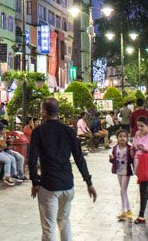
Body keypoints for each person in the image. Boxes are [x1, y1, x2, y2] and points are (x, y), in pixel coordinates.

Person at [28, 98, 96, 241]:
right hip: (67, 185)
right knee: (64, 221)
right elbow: (79, 158)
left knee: (49, 226)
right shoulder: (68, 131)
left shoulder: (38, 132)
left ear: (44, 112)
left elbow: (32, 159)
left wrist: (35, 182)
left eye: (42, 109)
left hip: (49, 186)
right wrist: (88, 182)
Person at [109, 130, 134, 221]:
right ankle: (129, 210)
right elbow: (113, 160)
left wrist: (132, 154)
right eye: (120, 136)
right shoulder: (115, 148)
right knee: (124, 191)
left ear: (127, 138)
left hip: (126, 172)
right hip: (119, 171)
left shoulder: (129, 148)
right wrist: (111, 159)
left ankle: (123, 211)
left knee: (122, 191)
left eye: (124, 136)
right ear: (117, 138)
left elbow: (132, 161)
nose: (122, 138)